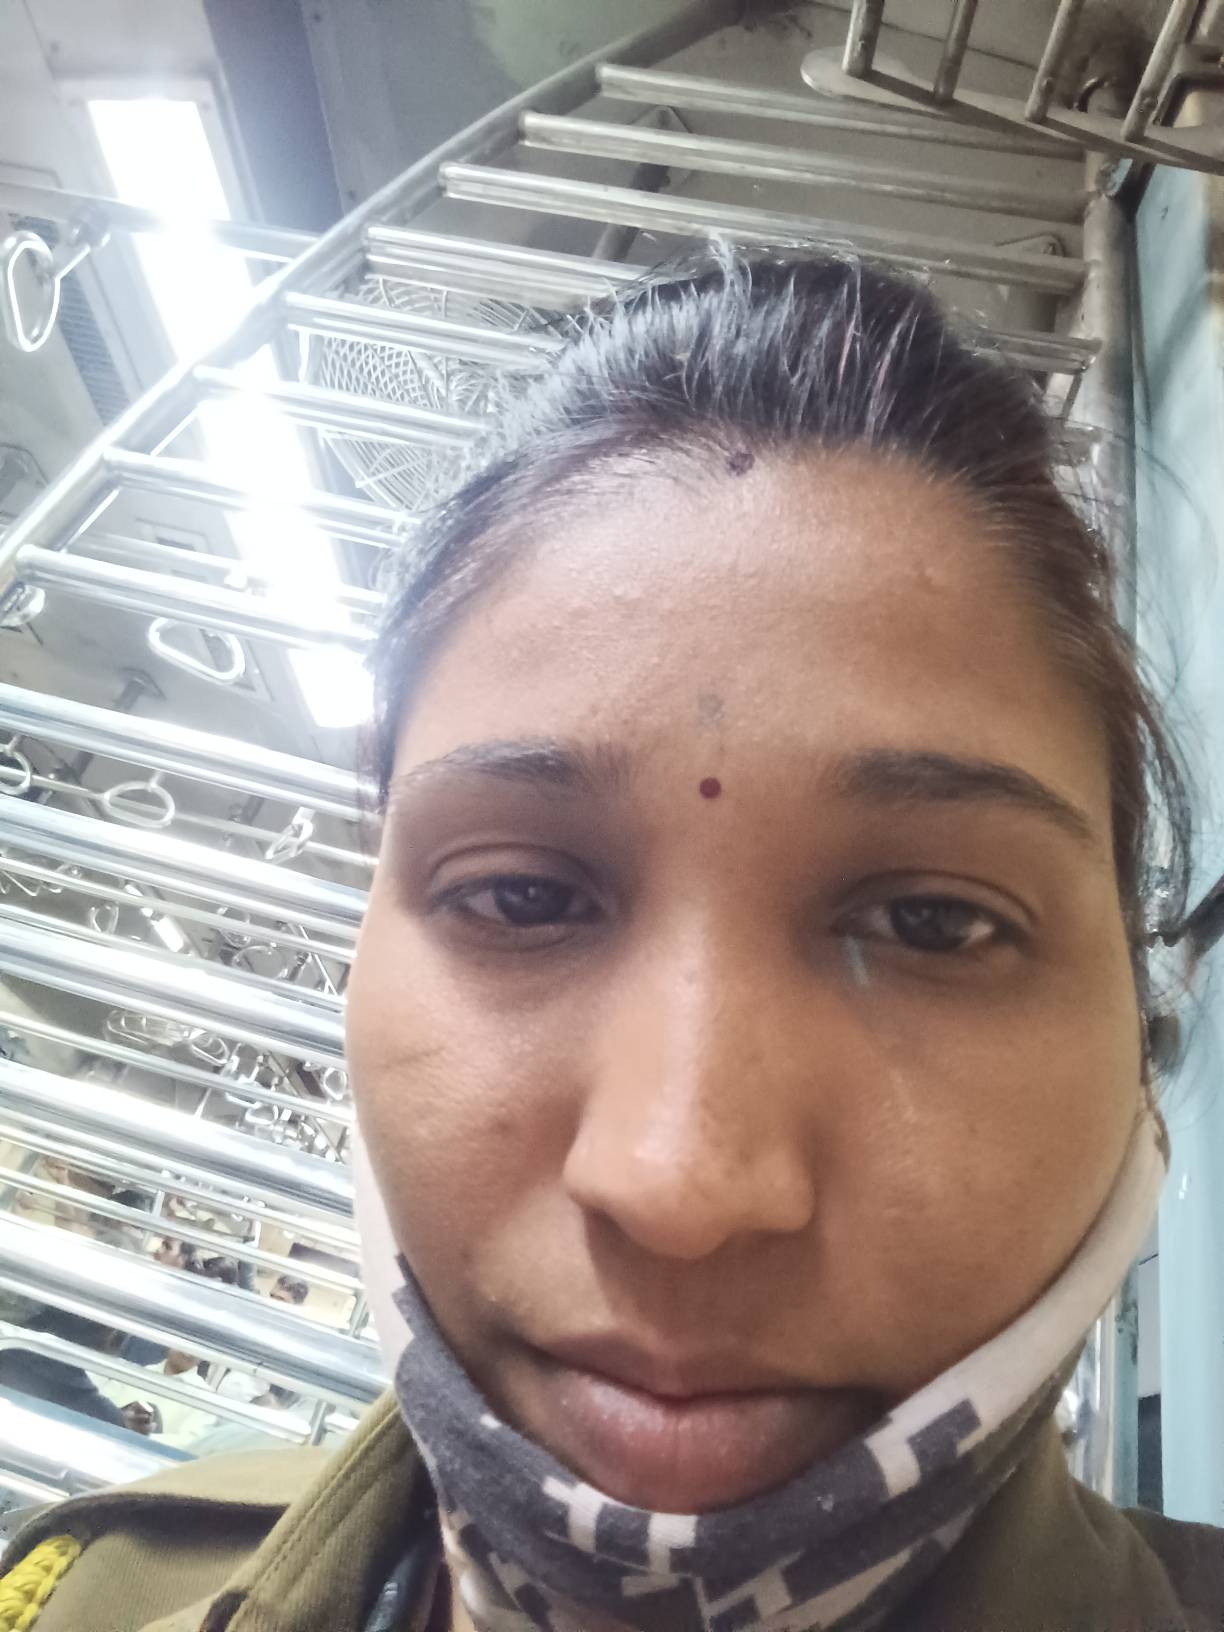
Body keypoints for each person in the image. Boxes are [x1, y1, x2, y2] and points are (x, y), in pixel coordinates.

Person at [3, 248, 1222, 1630]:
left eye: (934, 922)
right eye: (520, 897)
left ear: (1139, 1041)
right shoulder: (80, 1597)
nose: (680, 1188)